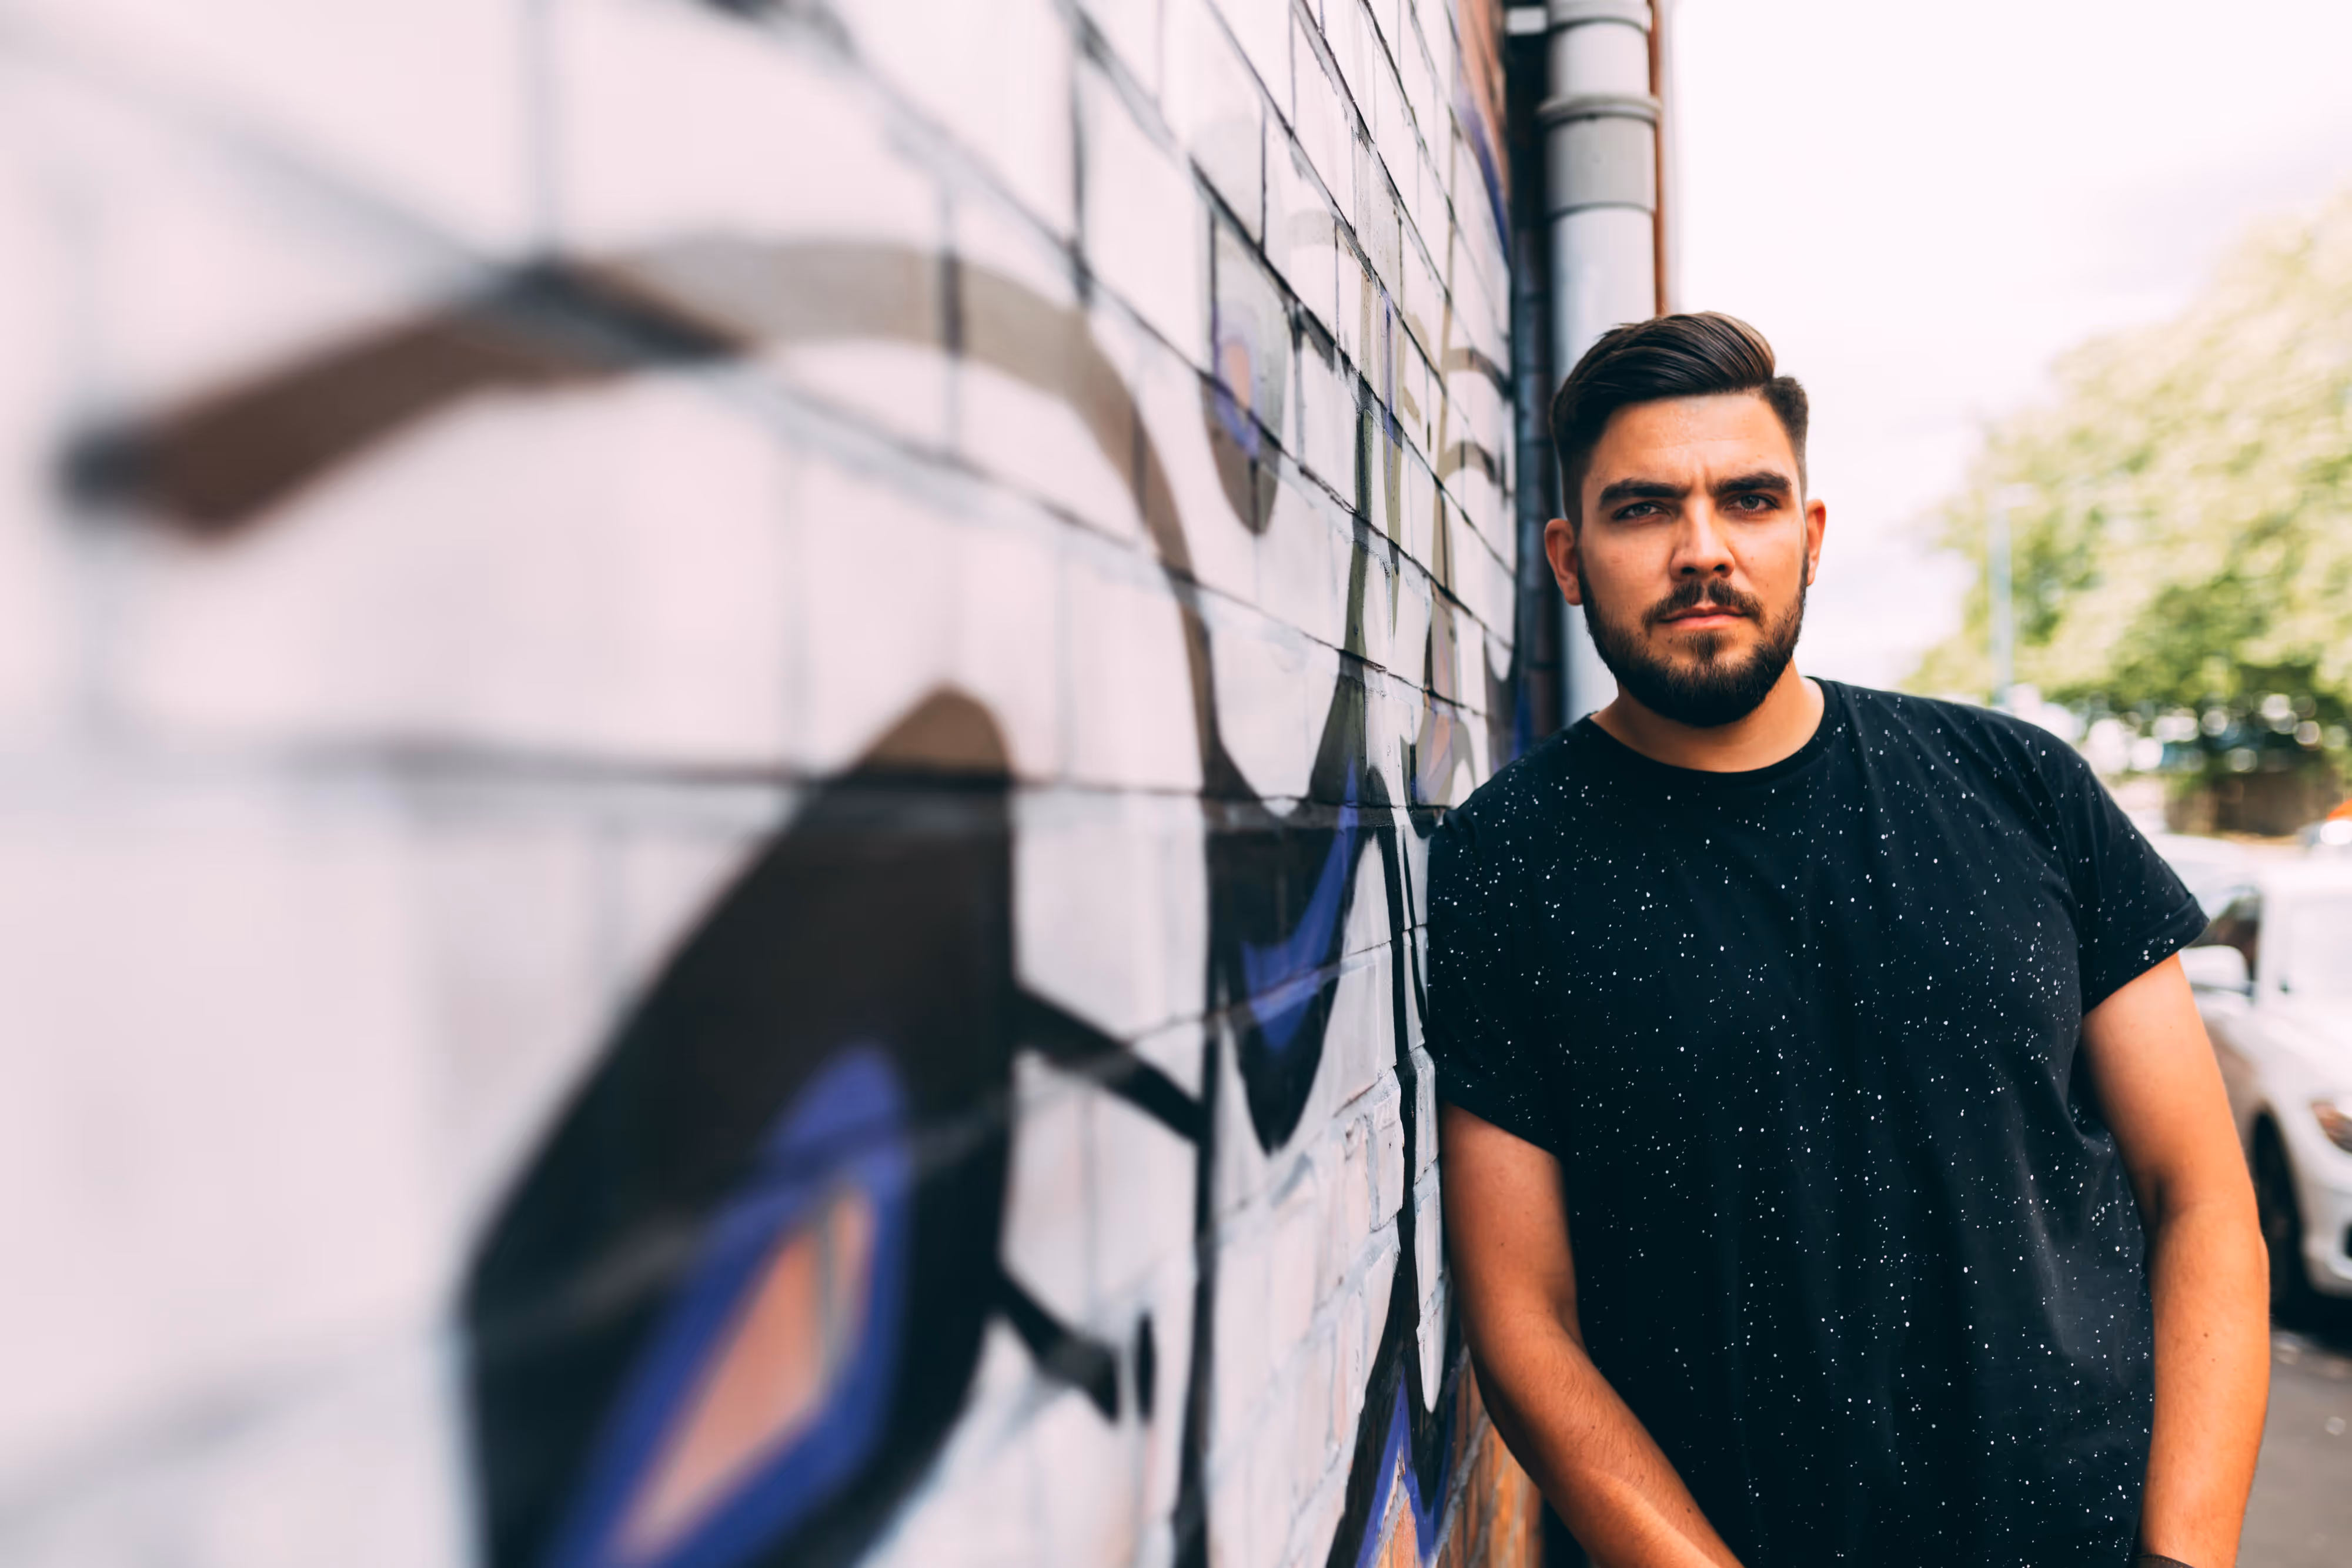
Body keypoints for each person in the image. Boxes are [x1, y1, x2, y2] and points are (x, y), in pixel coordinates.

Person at [1428, 312, 2269, 1568]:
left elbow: (2198, 1195)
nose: (1701, 550)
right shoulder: (1506, 858)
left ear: (1808, 537)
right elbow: (1520, 1317)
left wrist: (2182, 1556)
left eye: (1748, 500)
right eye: (1642, 509)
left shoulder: (2022, 788)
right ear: (1565, 555)